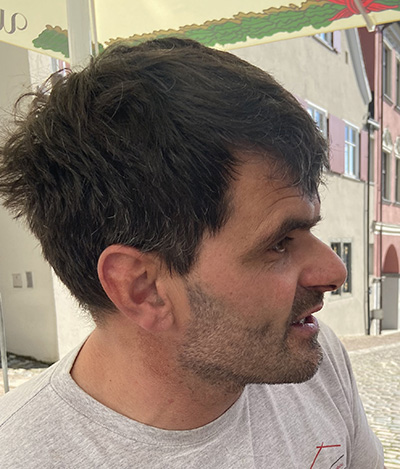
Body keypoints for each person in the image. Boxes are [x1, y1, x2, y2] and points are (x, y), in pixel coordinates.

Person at [0, 38, 383, 468]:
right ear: (143, 289)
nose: (334, 271)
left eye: (310, 228)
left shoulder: (316, 358)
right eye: (279, 243)